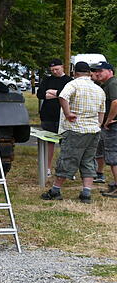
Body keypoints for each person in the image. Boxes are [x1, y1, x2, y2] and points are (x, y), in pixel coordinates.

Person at [41, 61, 105, 204]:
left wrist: (68, 113)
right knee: (88, 160)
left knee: (68, 158)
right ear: (89, 73)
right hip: (93, 130)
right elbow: (102, 111)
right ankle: (86, 193)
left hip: (76, 129)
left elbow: (63, 96)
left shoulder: (73, 84)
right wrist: (98, 124)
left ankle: (55, 190)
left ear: (75, 73)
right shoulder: (98, 89)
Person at [36, 58, 72, 177]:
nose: (54, 72)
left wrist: (53, 92)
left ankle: (66, 169)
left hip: (63, 116)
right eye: (52, 70)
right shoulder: (47, 79)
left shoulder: (69, 81)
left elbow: (68, 95)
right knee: (49, 143)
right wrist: (57, 94)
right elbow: (40, 94)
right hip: (48, 115)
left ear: (62, 67)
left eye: (56, 69)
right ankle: (47, 168)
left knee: (66, 144)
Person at [90, 61, 117, 197]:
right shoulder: (108, 84)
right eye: (96, 71)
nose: (97, 73)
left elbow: (115, 102)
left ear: (110, 71)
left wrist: (108, 120)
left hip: (114, 126)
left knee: (113, 157)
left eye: (100, 71)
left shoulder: (112, 83)